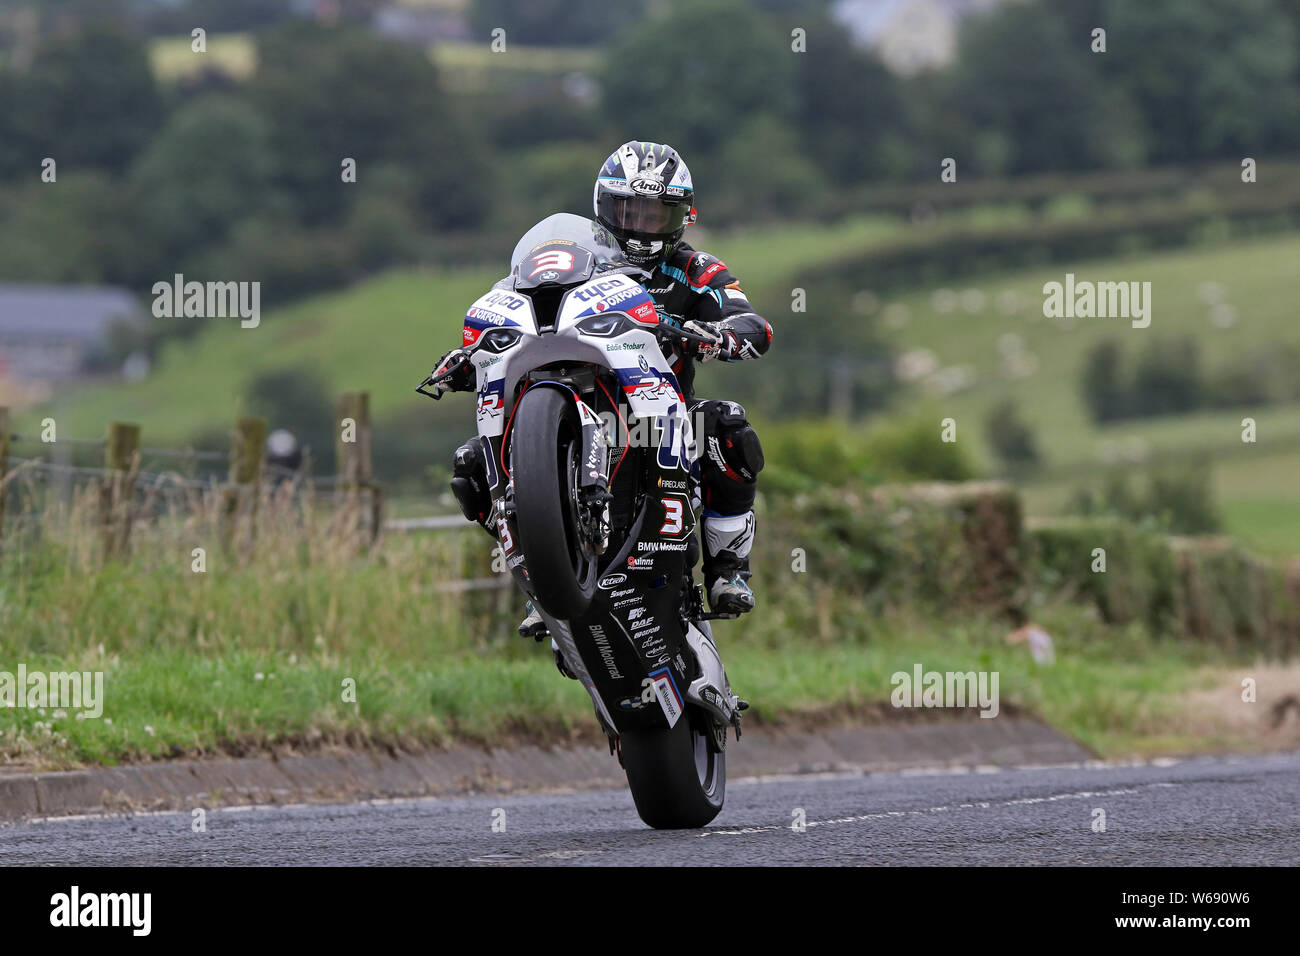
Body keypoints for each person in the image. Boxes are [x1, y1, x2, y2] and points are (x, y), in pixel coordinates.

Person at [438, 141, 772, 636]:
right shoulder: (569, 261)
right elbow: (512, 307)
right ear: (602, 208)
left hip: (659, 420)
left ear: (683, 216)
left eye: (657, 214)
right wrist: (468, 358)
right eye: (628, 210)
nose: (640, 226)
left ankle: (727, 570)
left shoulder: (696, 268)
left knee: (727, 426)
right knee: (469, 466)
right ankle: (540, 572)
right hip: (566, 406)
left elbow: (751, 322)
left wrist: (723, 334)